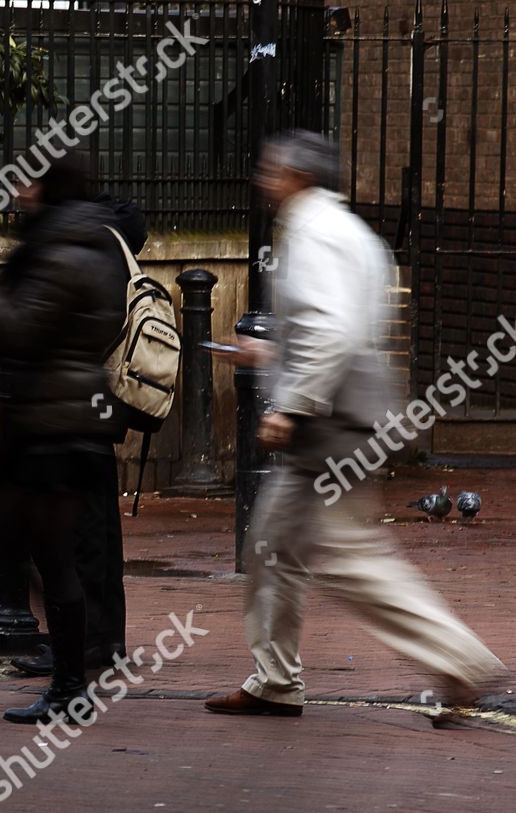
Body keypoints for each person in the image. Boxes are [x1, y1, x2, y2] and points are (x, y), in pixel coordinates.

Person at [203, 131, 508, 724]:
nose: (264, 180)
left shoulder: (314, 233)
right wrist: (273, 360)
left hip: (331, 422)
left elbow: (332, 330)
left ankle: (462, 660)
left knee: (346, 556)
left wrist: (293, 404)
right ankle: (274, 681)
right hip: (351, 412)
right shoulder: (354, 234)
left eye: (271, 170)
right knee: (273, 547)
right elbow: (345, 327)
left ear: (297, 176)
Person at [0, 152, 130, 724]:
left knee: (45, 552)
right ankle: (73, 672)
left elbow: (24, 327)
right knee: (42, 547)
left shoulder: (60, 246)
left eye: (31, 180)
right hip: (72, 414)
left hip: (51, 421)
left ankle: (70, 684)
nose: (20, 189)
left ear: (51, 188)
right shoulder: (93, 242)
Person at [4, 190, 146, 675]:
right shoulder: (108, 236)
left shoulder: (87, 240)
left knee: (72, 532)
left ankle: (83, 645)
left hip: (74, 403)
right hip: (94, 402)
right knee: (96, 528)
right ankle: (101, 641)